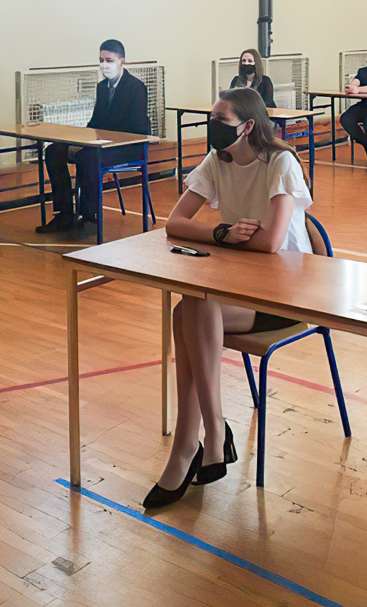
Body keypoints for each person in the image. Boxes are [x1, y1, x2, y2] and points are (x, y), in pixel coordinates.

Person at [144, 87, 312, 509]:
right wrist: (221, 233)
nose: (212, 126)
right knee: (191, 306)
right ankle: (205, 435)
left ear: (248, 126)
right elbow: (175, 223)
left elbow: (271, 242)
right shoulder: (217, 160)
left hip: (287, 293)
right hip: (240, 284)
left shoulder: (280, 162)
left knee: (190, 310)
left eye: (221, 120)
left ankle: (197, 439)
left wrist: (231, 239)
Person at [38, 39, 150, 237]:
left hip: (127, 147)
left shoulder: (136, 87)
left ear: (122, 61)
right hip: (100, 144)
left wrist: (104, 139)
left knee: (88, 157)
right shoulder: (102, 87)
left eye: (109, 60)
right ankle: (64, 215)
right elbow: (96, 122)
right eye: (101, 60)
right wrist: (79, 137)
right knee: (54, 151)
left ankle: (90, 216)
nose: (104, 65)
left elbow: (137, 129)